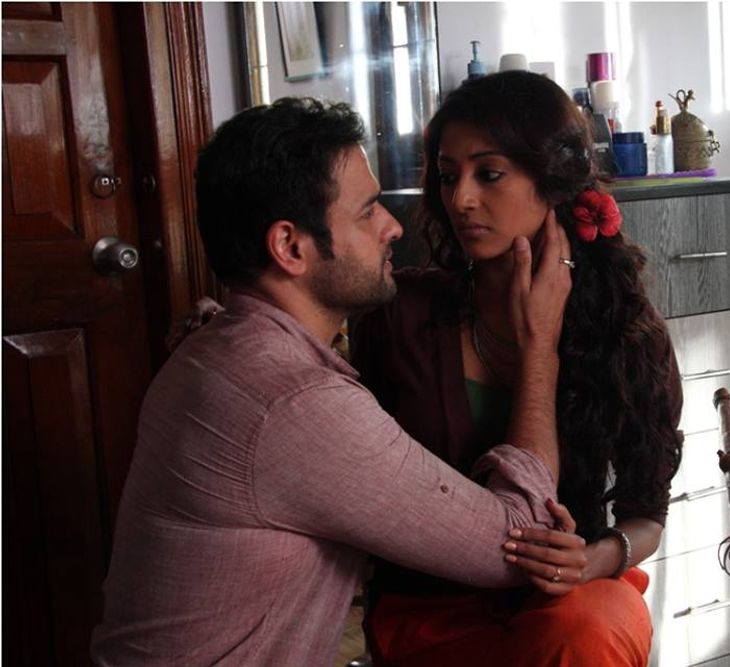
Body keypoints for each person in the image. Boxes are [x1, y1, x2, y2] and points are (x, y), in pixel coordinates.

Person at [90, 97, 576, 665]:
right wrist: (539, 347)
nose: (394, 226)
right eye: (368, 212)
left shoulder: (215, 350)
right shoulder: (295, 403)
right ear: (290, 247)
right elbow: (520, 541)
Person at [351, 71, 685, 666]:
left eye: (489, 174)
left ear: (550, 181)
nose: (461, 199)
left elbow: (645, 515)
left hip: (569, 600)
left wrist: (594, 559)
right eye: (448, 176)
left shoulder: (626, 332)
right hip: (434, 610)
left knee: (588, 630)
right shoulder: (399, 314)